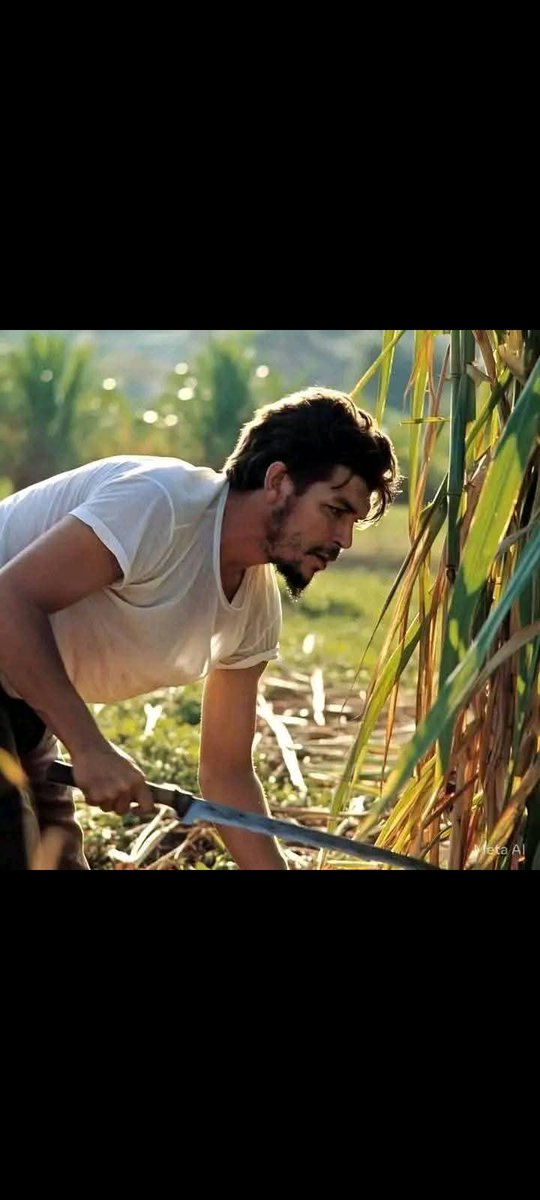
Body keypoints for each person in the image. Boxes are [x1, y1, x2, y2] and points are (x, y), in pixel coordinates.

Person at [0, 387, 400, 870]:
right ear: (278, 482)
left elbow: (226, 774)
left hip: (22, 702)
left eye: (353, 521)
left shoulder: (255, 611)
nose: (344, 540)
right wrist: (89, 747)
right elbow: (9, 600)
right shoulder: (159, 504)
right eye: (335, 511)